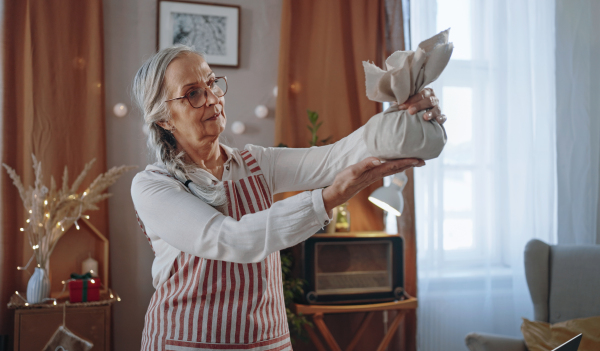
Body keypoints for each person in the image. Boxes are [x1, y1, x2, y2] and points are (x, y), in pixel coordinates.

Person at [131, 45, 445, 351]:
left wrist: (401, 115)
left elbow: (335, 158)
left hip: (269, 342)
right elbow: (229, 239)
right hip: (185, 343)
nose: (213, 98)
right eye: (193, 93)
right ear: (164, 120)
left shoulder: (257, 164)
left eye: (212, 83)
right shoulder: (152, 186)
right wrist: (326, 199)